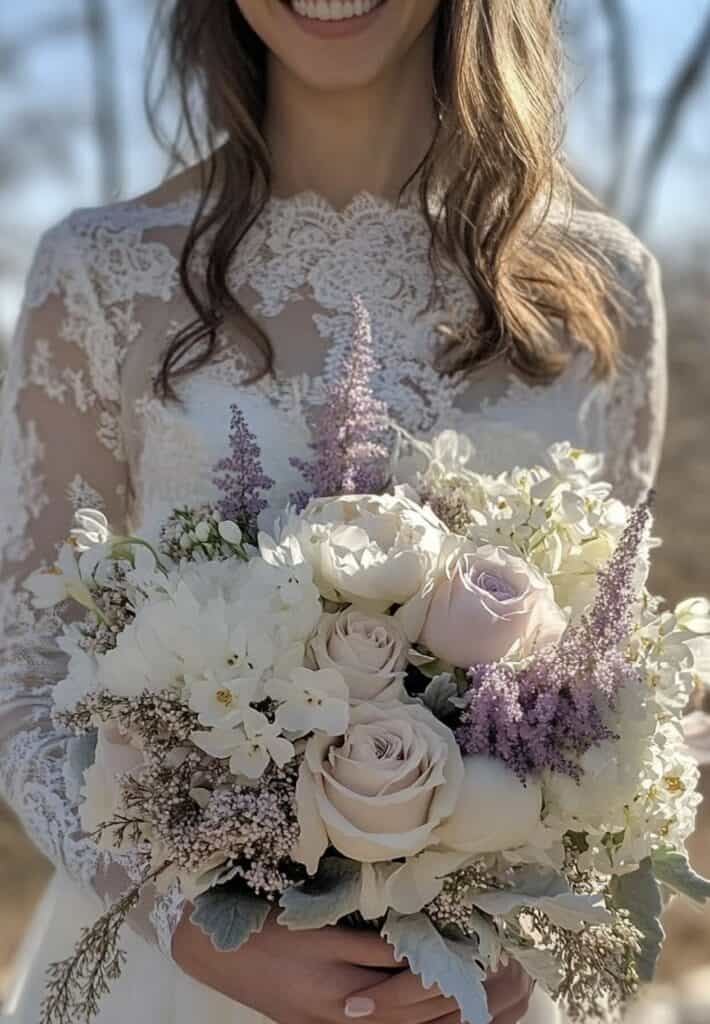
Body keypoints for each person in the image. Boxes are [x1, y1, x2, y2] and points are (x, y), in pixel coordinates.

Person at [0, 2, 667, 1022]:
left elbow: (606, 671)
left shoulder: (603, 283)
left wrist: (539, 927)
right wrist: (188, 922)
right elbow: (28, 667)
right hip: (176, 982)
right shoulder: (100, 274)